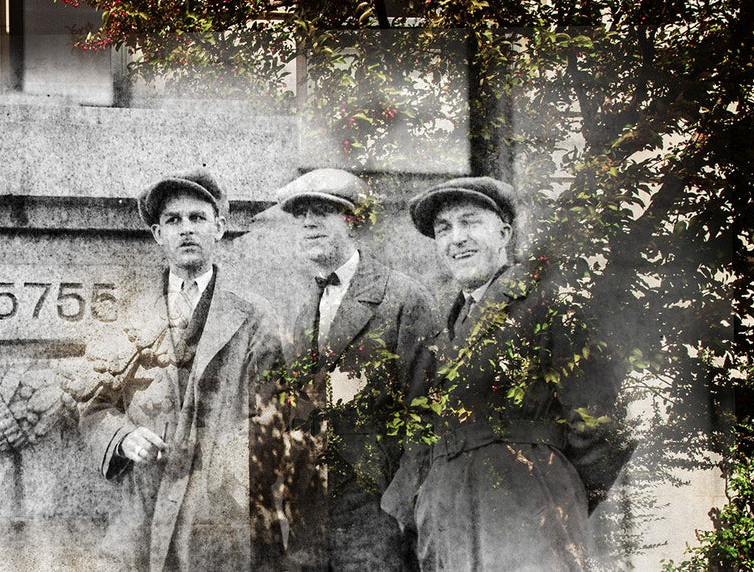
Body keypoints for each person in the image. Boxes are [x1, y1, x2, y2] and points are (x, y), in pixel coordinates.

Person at [383, 177, 633, 571]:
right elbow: (421, 433)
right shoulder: (439, 332)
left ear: (504, 233)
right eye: (443, 229)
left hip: (528, 518)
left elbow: (603, 428)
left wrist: (553, 490)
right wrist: (419, 503)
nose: (456, 239)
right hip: (448, 528)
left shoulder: (548, 303)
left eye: (470, 222)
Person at [76, 167, 276, 571]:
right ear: (157, 234)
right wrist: (124, 438)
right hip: (143, 504)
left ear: (219, 228)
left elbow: (276, 414)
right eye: (173, 220)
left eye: (197, 218)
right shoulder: (124, 315)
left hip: (217, 514)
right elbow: (93, 405)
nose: (186, 229)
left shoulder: (254, 316)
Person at [257, 168, 436, 571]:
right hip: (309, 517)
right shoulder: (302, 309)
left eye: (323, 211)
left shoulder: (402, 299)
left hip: (375, 516)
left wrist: (398, 508)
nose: (309, 223)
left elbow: (428, 413)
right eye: (300, 215)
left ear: (353, 221)